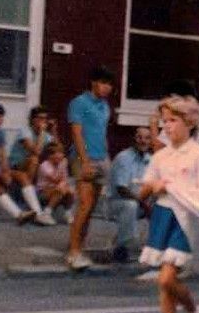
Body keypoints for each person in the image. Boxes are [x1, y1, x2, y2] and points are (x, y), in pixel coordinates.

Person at [138, 95, 199, 313]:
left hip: (186, 220)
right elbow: (145, 189)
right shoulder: (161, 156)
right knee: (164, 281)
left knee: (167, 277)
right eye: (164, 121)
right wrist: (151, 187)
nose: (166, 126)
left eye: (172, 120)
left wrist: (170, 187)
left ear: (189, 123)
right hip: (163, 216)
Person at [66, 66, 114, 271]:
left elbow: (101, 133)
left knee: (91, 207)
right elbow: (77, 134)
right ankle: (73, 253)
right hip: (83, 158)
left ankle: (79, 247)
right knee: (84, 205)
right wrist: (85, 161)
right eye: (104, 83)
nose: (107, 88)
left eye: (109, 84)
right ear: (94, 82)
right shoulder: (79, 103)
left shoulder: (105, 106)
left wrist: (106, 157)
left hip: (101, 158)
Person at [7, 105, 59, 225]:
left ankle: (32, 200)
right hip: (16, 166)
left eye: (45, 119)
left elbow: (58, 148)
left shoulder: (44, 134)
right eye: (40, 118)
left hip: (31, 170)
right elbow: (36, 151)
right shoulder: (24, 131)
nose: (43, 121)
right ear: (32, 119)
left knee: (40, 161)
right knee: (34, 159)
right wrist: (42, 132)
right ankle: (29, 200)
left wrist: (54, 130)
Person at [109, 127, 153, 262]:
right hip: (116, 203)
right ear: (133, 139)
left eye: (147, 138)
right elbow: (121, 189)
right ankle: (123, 247)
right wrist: (143, 204)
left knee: (163, 206)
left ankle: (156, 247)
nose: (143, 141)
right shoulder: (123, 158)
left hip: (141, 202)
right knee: (130, 205)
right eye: (140, 137)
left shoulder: (149, 159)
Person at [36, 142, 75, 224]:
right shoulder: (44, 165)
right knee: (60, 189)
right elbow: (55, 180)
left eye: (62, 153)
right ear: (50, 156)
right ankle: (46, 214)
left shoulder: (61, 163)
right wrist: (63, 166)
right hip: (43, 193)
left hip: (58, 190)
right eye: (59, 153)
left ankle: (68, 214)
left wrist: (66, 188)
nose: (62, 155)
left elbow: (65, 180)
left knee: (70, 191)